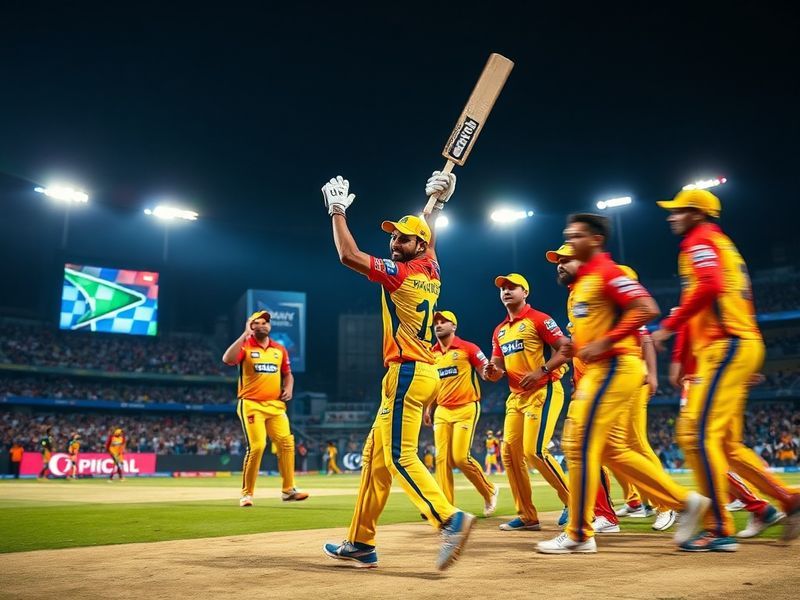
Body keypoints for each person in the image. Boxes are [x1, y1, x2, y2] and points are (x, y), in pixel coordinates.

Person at [321, 172, 474, 571]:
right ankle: (360, 541)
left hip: (407, 373)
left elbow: (348, 256)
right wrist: (434, 205)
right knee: (374, 460)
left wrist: (337, 211)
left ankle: (449, 518)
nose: (394, 242)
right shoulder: (431, 271)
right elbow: (430, 241)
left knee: (400, 456)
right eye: (393, 237)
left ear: (417, 246)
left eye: (403, 238)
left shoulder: (401, 274)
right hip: (415, 373)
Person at [537, 213, 709, 555]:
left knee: (578, 444)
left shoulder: (607, 272)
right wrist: (579, 346)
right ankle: (686, 503)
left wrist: (607, 341)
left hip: (614, 366)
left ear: (596, 240)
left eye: (575, 238)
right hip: (601, 370)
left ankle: (580, 533)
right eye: (567, 236)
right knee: (612, 451)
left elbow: (646, 307)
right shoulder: (584, 283)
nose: (569, 244)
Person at [652, 189, 800, 548]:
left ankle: (719, 528)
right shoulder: (724, 245)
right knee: (726, 444)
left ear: (697, 214)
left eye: (679, 211)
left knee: (695, 435)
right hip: (735, 345)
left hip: (726, 345)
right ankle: (785, 498)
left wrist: (670, 329)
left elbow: (710, 286)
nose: (672, 216)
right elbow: (724, 294)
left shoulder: (698, 241)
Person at [670, 320, 787, 541]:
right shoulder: (726, 308)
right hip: (728, 376)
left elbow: (678, 368)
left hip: (702, 382)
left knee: (700, 447)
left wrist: (671, 333)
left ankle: (743, 514)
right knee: (726, 450)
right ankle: (766, 505)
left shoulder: (694, 307)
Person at [483, 272, 571, 531]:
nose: (506, 291)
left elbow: (565, 348)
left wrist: (542, 370)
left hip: (545, 389)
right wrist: (492, 372)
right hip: (516, 397)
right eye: (503, 289)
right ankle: (527, 515)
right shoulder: (500, 331)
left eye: (513, 287)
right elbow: (498, 368)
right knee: (509, 454)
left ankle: (573, 502)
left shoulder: (539, 319)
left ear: (526, 293)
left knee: (535, 451)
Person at [545, 243, 621, 534]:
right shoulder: (575, 295)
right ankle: (599, 515)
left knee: (597, 449)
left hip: (603, 380)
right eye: (558, 261)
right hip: (585, 383)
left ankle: (676, 504)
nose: (560, 265)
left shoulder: (595, 287)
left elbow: (632, 321)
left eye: (566, 260)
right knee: (592, 450)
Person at [222, 310, 308, 506]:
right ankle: (247, 494)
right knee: (258, 447)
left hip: (276, 405)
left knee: (286, 444)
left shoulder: (279, 349)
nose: (263, 325)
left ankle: (288, 491)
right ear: (250, 326)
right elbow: (227, 359)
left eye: (266, 323)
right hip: (251, 403)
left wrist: (288, 387)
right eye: (257, 323)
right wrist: (244, 335)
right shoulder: (245, 347)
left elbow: (288, 373)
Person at [423, 310, 498, 516]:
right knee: (442, 459)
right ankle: (445, 508)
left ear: (453, 326)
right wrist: (429, 407)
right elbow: (432, 383)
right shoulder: (432, 354)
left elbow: (484, 368)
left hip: (466, 407)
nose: (438, 325)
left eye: (443, 321)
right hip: (442, 411)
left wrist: (487, 371)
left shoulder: (468, 348)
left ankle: (489, 491)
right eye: (436, 322)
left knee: (460, 458)